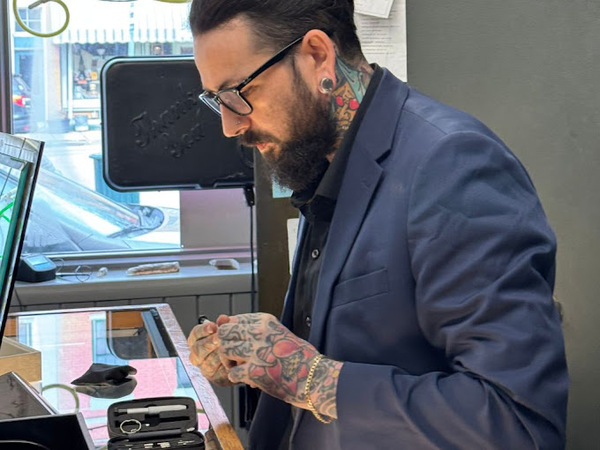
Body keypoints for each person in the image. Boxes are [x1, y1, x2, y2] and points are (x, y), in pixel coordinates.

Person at [186, 1, 569, 448]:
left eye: (238, 92)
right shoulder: (328, 162)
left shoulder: (452, 164)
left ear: (317, 55)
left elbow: (515, 423)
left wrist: (311, 379)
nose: (230, 126)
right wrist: (256, 356)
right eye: (217, 100)